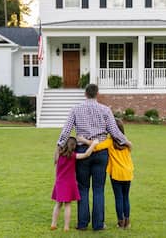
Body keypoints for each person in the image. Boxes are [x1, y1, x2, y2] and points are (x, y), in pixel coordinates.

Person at [55, 84, 132, 231]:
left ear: (85, 94)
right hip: (100, 153)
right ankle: (98, 224)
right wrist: (126, 141)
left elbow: (66, 130)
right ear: (97, 94)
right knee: (98, 189)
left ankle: (82, 223)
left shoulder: (76, 109)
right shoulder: (105, 110)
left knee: (83, 188)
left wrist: (59, 145)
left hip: (82, 151)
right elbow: (114, 131)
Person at [78, 118, 134, 229]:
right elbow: (131, 147)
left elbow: (96, 147)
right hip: (128, 173)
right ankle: (127, 222)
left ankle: (120, 222)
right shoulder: (126, 142)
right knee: (125, 197)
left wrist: (84, 141)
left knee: (118, 197)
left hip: (116, 174)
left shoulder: (109, 142)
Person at [51, 137, 99, 231]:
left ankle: (53, 224)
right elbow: (86, 154)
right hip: (69, 184)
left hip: (59, 183)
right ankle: (66, 226)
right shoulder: (73, 156)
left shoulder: (59, 155)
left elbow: (57, 149)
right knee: (67, 205)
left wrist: (59, 143)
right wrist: (93, 144)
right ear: (74, 146)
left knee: (58, 205)